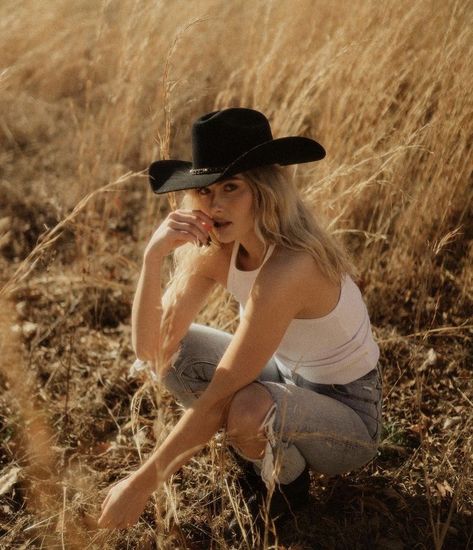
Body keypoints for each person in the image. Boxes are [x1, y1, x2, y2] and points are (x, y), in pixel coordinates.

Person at [98, 108, 382, 531]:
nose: (215, 205)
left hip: (349, 415)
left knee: (245, 408)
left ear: (265, 190)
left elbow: (221, 393)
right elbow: (152, 351)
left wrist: (140, 486)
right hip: (285, 378)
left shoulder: (292, 267)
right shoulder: (218, 250)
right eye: (207, 191)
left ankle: (286, 490)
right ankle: (255, 448)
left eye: (231, 187)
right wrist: (152, 257)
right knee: (180, 355)